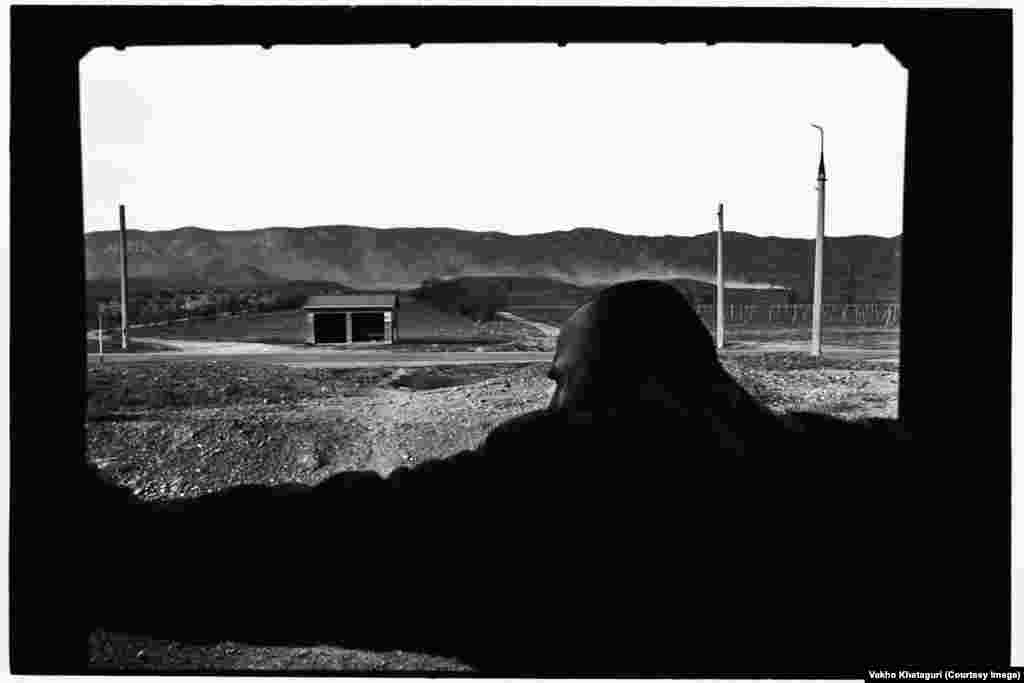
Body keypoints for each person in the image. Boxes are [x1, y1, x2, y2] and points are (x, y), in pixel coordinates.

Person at [88, 280, 932, 675]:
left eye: (562, 376)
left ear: (616, 385)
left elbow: (332, 543)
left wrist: (105, 543)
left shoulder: (546, 494)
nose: (553, 393)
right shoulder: (849, 471)